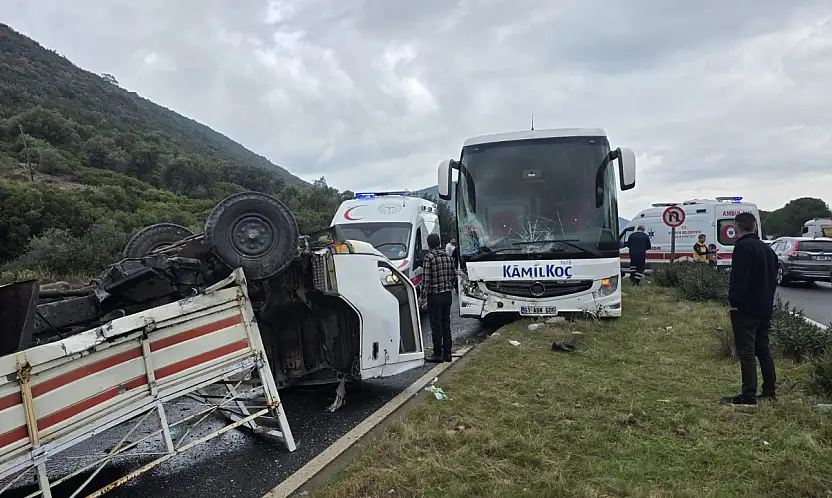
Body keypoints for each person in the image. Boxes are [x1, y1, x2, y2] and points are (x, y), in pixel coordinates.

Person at [721, 212, 778, 406]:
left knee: (746, 352)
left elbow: (739, 279)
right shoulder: (768, 249)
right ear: (755, 227)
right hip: (765, 307)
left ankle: (748, 396)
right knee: (763, 350)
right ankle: (770, 391)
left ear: (736, 229)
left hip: (745, 309)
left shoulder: (742, 248)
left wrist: (733, 301)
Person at [419, 233, 457, 363]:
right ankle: (448, 353)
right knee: (446, 323)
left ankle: (437, 353)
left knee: (436, 325)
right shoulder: (447, 256)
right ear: (439, 242)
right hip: (447, 295)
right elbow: (453, 275)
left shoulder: (429, 258)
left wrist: (422, 296)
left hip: (434, 296)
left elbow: (426, 279)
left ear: (429, 244)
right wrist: (449, 286)